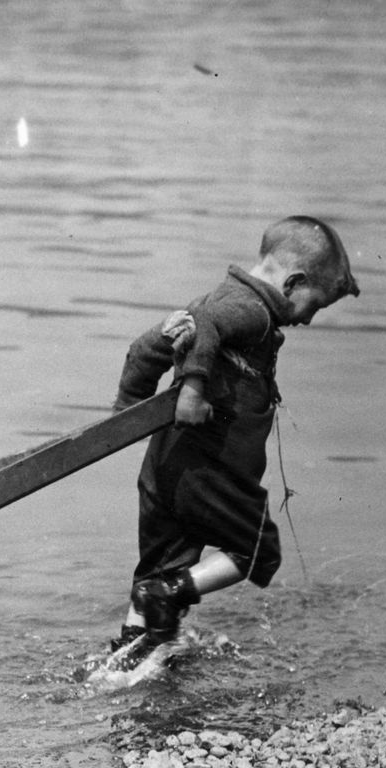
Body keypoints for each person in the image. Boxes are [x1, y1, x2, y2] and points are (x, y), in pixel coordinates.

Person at [108, 216, 360, 656]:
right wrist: (191, 390)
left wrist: (125, 415)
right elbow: (205, 326)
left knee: (156, 567)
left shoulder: (214, 299)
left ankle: (127, 658)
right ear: (293, 282)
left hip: (166, 470)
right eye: (314, 305)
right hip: (212, 475)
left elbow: (146, 347)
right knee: (259, 549)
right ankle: (172, 593)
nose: (309, 320)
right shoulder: (252, 311)